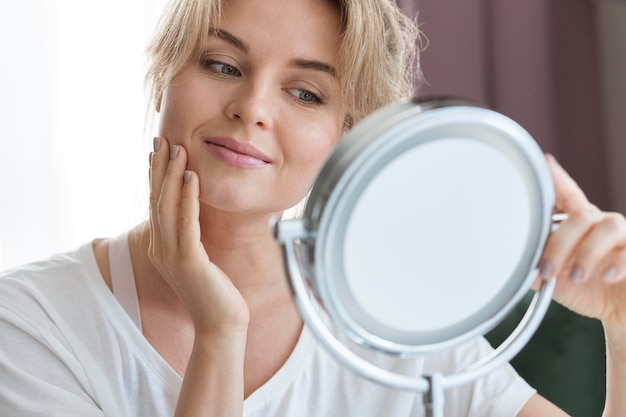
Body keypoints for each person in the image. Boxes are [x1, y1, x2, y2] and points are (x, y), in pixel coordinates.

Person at [0, 0, 624, 415]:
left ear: (346, 134)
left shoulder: (400, 319)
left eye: (305, 92)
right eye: (222, 64)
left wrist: (621, 326)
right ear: (164, 72)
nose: (253, 107)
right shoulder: (30, 324)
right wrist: (220, 333)